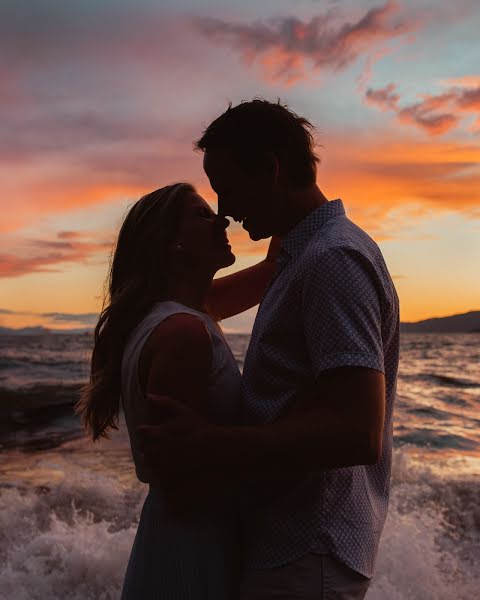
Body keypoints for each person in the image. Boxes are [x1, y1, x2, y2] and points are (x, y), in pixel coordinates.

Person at [138, 100, 400, 599]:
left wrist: (210, 442)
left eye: (227, 188)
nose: (226, 211)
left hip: (308, 550)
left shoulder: (331, 260)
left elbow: (357, 430)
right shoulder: (304, 259)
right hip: (293, 544)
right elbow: (192, 304)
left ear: (271, 170)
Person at [76, 182, 280, 599]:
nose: (222, 219)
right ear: (174, 245)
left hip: (177, 537)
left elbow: (273, 269)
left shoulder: (175, 315)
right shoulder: (183, 332)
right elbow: (183, 484)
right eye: (203, 215)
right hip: (193, 549)